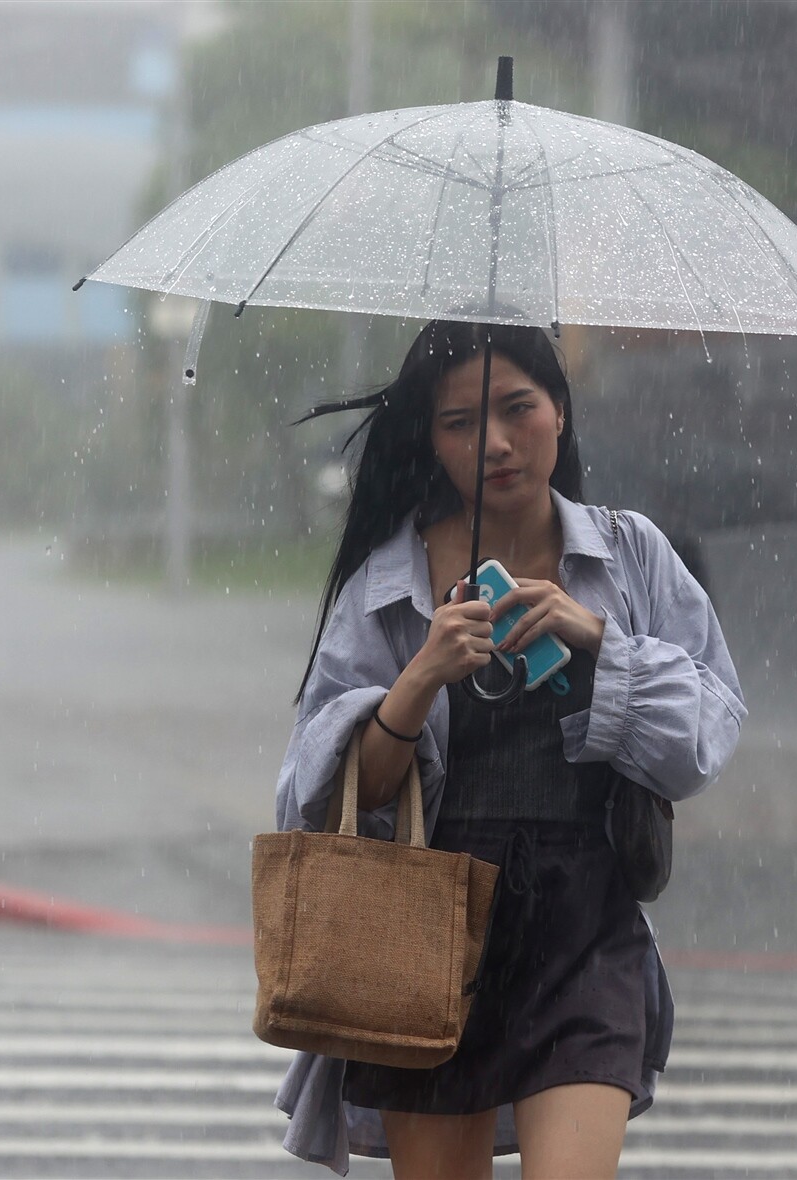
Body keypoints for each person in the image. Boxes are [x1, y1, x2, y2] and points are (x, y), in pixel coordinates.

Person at [272, 319, 746, 1177]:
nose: (494, 443)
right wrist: (418, 681)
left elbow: (702, 740)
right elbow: (334, 795)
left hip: (585, 930)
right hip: (427, 931)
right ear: (430, 438)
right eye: (458, 422)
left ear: (560, 413)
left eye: (517, 408)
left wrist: (597, 635)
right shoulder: (389, 583)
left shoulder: (631, 557)